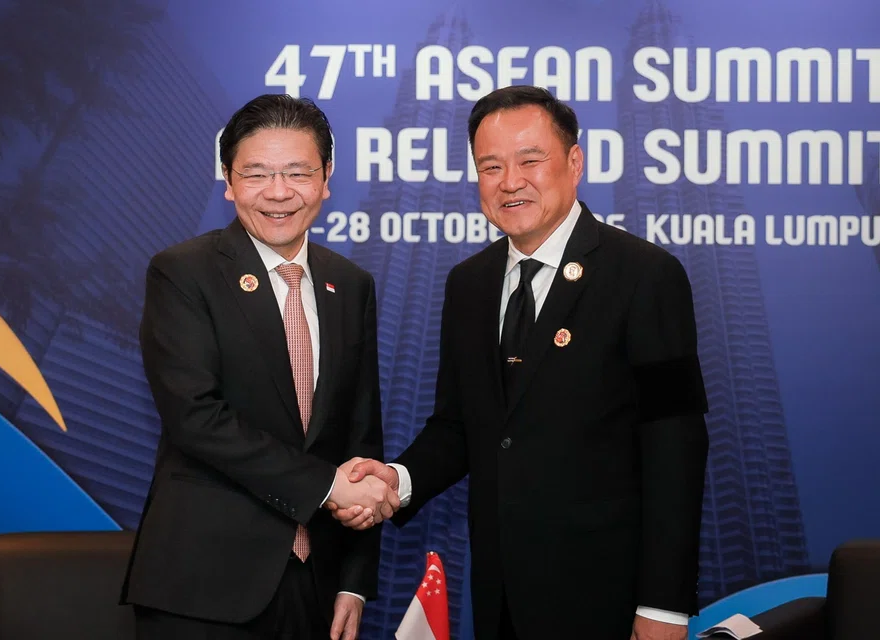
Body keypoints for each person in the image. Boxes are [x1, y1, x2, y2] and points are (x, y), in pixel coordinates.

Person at [331, 86, 709, 640]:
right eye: (491, 166)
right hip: (501, 596)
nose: (510, 181)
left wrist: (664, 608)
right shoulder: (470, 285)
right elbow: (461, 425)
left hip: (608, 599)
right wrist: (398, 479)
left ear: (574, 162)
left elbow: (676, 446)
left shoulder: (645, 276)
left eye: (531, 160)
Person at [120, 94, 399, 640]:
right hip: (203, 584)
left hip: (316, 588)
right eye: (256, 174)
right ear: (228, 180)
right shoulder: (184, 273)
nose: (278, 192)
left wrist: (354, 580)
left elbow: (361, 437)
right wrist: (327, 487)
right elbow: (195, 417)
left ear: (326, 178)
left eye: (298, 173)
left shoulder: (351, 285)